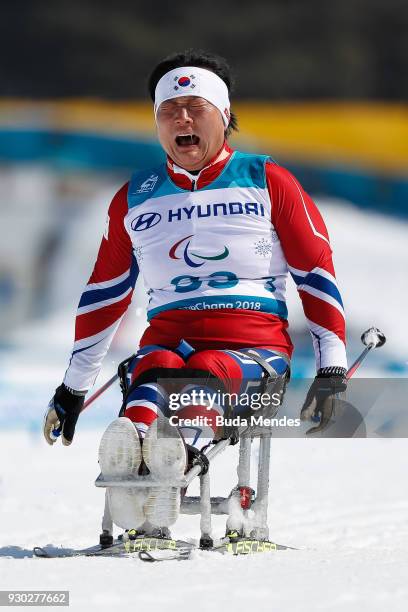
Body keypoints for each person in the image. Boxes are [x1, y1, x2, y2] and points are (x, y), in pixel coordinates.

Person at [43, 49, 347, 532]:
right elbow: (104, 294)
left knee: (205, 369)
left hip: (254, 352)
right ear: (157, 124)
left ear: (223, 116)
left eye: (195, 107)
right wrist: (73, 388)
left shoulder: (267, 180)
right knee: (155, 366)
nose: (181, 119)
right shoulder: (135, 195)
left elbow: (316, 272)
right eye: (169, 110)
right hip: (168, 345)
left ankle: (170, 462)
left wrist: (331, 365)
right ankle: (138, 455)